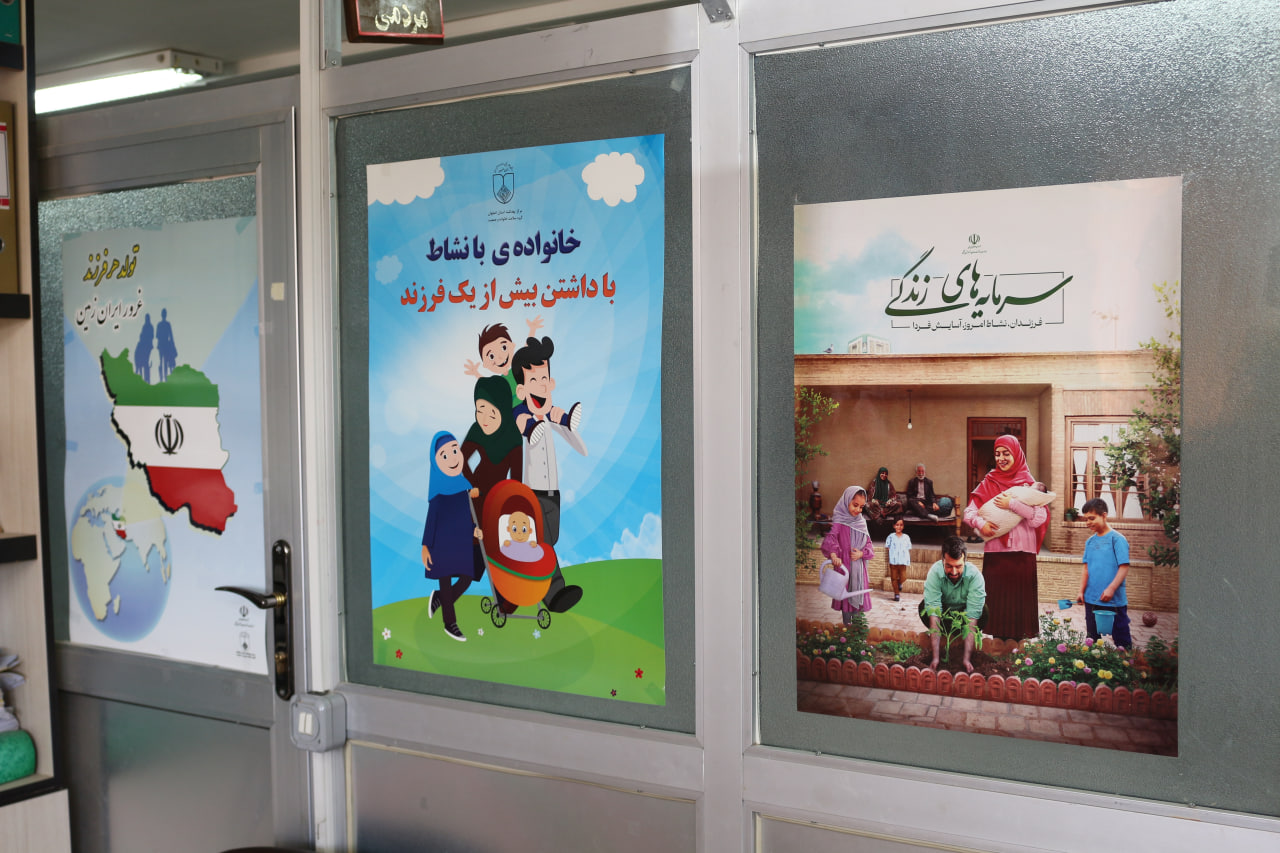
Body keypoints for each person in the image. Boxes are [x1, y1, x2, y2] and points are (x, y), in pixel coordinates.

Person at [511, 336, 585, 613]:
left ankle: (526, 581)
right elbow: (522, 421)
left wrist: (567, 421)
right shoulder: (523, 414)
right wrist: (531, 428)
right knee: (542, 542)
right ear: (522, 389)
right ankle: (554, 594)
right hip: (533, 492)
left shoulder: (549, 412)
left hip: (553, 491)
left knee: (549, 540)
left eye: (544, 378)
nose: (542, 385)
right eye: (534, 379)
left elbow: (561, 420)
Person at [963, 435, 1047, 641]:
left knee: (1020, 607)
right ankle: (998, 649)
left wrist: (1013, 504)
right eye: (997, 454)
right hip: (997, 554)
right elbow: (969, 512)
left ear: (1017, 454)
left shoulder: (1031, 485)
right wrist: (981, 524)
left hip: (1023, 556)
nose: (1001, 458)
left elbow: (1039, 519)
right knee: (997, 607)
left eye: (1006, 453)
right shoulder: (988, 482)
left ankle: (1017, 650)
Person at [421, 431, 484, 642]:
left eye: (455, 451)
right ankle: (450, 623)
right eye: (445, 456)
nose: (453, 458)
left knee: (466, 578)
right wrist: (425, 546)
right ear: (436, 462)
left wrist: (473, 529)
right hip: (441, 544)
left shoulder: (463, 486)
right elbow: (431, 521)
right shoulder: (438, 494)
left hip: (460, 542)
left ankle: (440, 599)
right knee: (446, 581)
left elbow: (465, 516)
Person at [918, 535, 987, 673]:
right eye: (949, 566)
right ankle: (945, 636)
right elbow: (934, 614)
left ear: (965, 561)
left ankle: (961, 640)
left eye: (958, 566)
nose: (954, 572)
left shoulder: (975, 576)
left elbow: (972, 618)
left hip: (963, 617)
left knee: (984, 611)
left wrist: (966, 659)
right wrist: (935, 658)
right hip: (944, 616)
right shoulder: (935, 573)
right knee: (924, 606)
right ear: (942, 560)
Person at [461, 375, 523, 521]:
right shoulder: (477, 429)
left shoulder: (513, 436)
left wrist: (511, 501)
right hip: (476, 493)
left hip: (499, 496)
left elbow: (516, 480)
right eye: (480, 411)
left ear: (503, 410)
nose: (484, 420)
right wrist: (472, 485)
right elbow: (461, 458)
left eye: (492, 415)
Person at [1076, 497, 1132, 648]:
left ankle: (1127, 661)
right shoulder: (1090, 542)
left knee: (1122, 641)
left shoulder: (1117, 540)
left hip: (1113, 601)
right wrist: (1081, 591)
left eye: (1092, 518)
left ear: (1104, 515)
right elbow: (1086, 568)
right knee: (1092, 640)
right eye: (1086, 519)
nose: (1088, 522)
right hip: (1092, 599)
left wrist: (1111, 589)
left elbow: (1124, 567)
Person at [820, 485, 874, 624]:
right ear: (846, 501)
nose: (858, 510)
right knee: (845, 599)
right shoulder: (839, 521)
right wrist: (833, 555)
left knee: (857, 598)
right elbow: (831, 539)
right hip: (844, 566)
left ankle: (857, 631)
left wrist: (862, 553)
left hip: (859, 569)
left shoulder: (861, 522)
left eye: (861, 507)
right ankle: (847, 628)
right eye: (855, 505)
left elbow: (869, 544)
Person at [885, 517, 912, 602]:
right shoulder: (891, 537)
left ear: (903, 526)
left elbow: (908, 548)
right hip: (893, 561)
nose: (899, 527)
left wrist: (905, 558)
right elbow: (888, 547)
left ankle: (899, 583)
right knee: (893, 578)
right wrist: (893, 553)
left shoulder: (906, 537)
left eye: (901, 525)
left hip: (902, 561)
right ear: (894, 526)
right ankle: (896, 593)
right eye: (897, 525)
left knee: (904, 577)